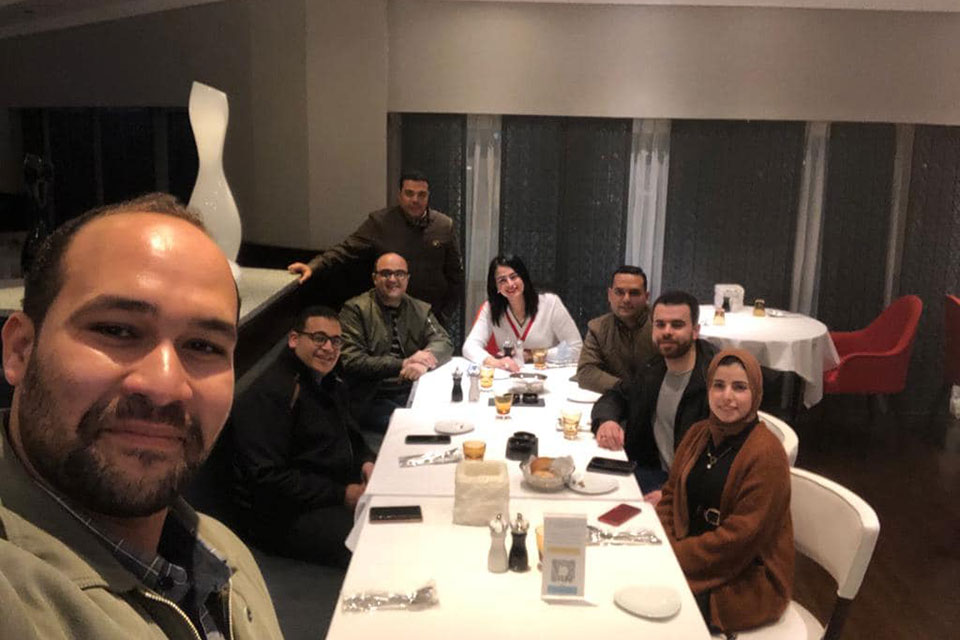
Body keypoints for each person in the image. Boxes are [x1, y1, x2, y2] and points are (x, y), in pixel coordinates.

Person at [0, 194, 283, 639]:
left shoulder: (227, 556)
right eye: (117, 330)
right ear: (20, 349)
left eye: (203, 346)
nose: (165, 386)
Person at [656, 349, 793, 634]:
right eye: (718, 385)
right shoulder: (698, 434)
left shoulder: (767, 455)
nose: (726, 396)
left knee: (658, 613)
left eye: (739, 387)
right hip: (691, 555)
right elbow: (670, 496)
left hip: (744, 579)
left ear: (756, 393)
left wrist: (672, 557)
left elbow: (740, 539)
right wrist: (666, 546)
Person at [232, 306, 375, 568]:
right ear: (294, 339)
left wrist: (366, 461)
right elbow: (266, 478)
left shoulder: (329, 380)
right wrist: (342, 494)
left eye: (336, 341)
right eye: (319, 338)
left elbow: (351, 434)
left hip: (330, 492)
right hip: (284, 517)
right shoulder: (273, 393)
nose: (329, 348)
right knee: (378, 541)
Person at [287, 170, 465, 327]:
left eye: (421, 195)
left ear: (428, 196)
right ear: (400, 195)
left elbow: (455, 275)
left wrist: (445, 315)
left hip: (431, 317)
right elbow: (346, 249)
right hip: (389, 318)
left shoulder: (443, 225)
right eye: (409, 193)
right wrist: (313, 266)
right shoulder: (380, 223)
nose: (415, 200)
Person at [591, 290, 716, 493]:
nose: (667, 332)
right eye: (660, 324)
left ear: (695, 331)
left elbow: (721, 461)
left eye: (677, 325)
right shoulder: (654, 369)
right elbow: (615, 396)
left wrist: (670, 495)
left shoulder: (715, 381)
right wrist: (607, 421)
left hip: (690, 490)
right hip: (652, 474)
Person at [339, 252, 453, 449]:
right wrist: (404, 363)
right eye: (386, 273)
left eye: (399, 274)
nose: (393, 279)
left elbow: (443, 341)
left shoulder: (419, 308)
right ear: (375, 278)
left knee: (448, 419)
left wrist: (424, 363)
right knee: (418, 429)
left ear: (407, 279)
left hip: (414, 390)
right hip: (372, 397)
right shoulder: (355, 310)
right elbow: (351, 360)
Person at [462, 255, 583, 372]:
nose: (510, 284)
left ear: (523, 277)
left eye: (514, 277)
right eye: (502, 280)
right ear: (496, 286)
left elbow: (577, 349)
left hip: (546, 374)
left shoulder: (550, 303)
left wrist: (532, 355)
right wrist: (496, 362)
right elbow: (469, 346)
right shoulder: (490, 308)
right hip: (510, 375)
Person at [576, 265, 657, 393]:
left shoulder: (661, 325)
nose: (626, 299)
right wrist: (626, 388)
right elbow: (586, 373)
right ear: (610, 295)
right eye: (619, 292)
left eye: (634, 293)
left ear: (646, 297)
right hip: (617, 395)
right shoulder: (598, 328)